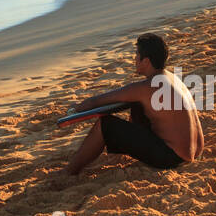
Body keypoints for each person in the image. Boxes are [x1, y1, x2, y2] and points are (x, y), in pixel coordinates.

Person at [63, 33, 203, 176]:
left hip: (173, 158)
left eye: (136, 55)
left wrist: (75, 108)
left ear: (146, 61)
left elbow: (96, 101)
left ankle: (70, 172)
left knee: (105, 125)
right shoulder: (172, 78)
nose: (134, 59)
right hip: (195, 151)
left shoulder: (146, 87)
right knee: (138, 106)